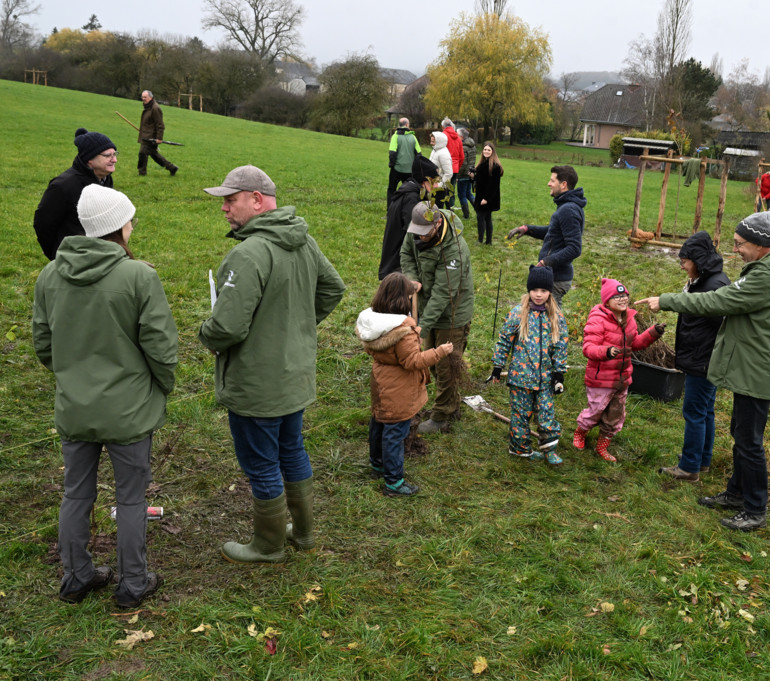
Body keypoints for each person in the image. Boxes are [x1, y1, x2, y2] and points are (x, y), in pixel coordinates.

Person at [32, 184, 178, 607]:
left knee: (76, 493)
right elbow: (161, 347)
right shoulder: (138, 276)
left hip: (75, 408)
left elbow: (44, 344)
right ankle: (133, 583)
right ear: (119, 225)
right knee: (131, 498)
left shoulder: (49, 275)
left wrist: (72, 378)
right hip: (129, 412)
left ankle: (76, 576)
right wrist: (161, 385)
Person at [198, 165, 346, 563]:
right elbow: (332, 288)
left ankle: (268, 544)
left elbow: (226, 326)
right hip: (293, 376)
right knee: (292, 448)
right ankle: (304, 532)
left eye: (231, 200)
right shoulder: (303, 241)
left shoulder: (248, 253)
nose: (225, 209)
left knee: (262, 462)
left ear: (257, 200)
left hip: (258, 383)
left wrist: (206, 336)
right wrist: (296, 327)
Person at [637, 212, 770, 532]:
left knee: (749, 441)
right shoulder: (767, 268)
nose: (736, 249)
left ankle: (754, 508)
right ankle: (736, 493)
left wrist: (669, 301)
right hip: (753, 364)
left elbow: (719, 300)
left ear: (759, 243)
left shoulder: (769, 276)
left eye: (740, 244)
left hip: (759, 368)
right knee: (741, 435)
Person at [356, 273, 454, 497]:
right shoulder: (402, 332)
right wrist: (440, 351)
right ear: (402, 300)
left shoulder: (375, 323)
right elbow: (413, 361)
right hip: (399, 388)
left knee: (379, 424)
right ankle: (394, 482)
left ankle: (377, 465)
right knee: (395, 433)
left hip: (381, 381)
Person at [659, 231, 731, 482]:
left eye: (685, 261)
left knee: (694, 411)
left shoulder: (713, 286)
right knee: (705, 410)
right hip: (705, 358)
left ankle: (689, 466)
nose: (682, 266)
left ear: (698, 260)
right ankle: (703, 461)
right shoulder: (708, 281)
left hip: (703, 360)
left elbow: (716, 324)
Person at [400, 201, 474, 434]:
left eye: (425, 233)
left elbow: (444, 295)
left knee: (446, 366)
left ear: (438, 222)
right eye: (417, 233)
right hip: (426, 306)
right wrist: (411, 277)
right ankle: (451, 401)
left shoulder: (455, 250)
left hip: (452, 313)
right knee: (430, 359)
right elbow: (406, 254)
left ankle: (442, 416)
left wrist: (421, 327)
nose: (420, 238)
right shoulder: (416, 231)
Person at [574, 278, 666, 463]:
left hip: (622, 378)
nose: (623, 299)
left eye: (624, 295)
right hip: (601, 379)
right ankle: (581, 433)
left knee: (615, 414)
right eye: (617, 296)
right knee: (595, 411)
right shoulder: (598, 319)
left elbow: (635, 344)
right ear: (606, 301)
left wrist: (652, 333)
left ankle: (602, 446)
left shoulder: (629, 319)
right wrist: (606, 351)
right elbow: (588, 348)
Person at [488, 266, 568, 465]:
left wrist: (559, 373)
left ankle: (549, 449)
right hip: (520, 377)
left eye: (543, 291)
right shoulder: (518, 313)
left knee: (546, 414)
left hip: (545, 379)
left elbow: (560, 345)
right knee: (520, 415)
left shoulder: (556, 317)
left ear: (550, 291)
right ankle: (520, 449)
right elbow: (505, 340)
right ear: (528, 290)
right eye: (534, 290)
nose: (538, 295)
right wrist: (498, 366)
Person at [506, 165, 586, 306]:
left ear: (563, 185)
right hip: (553, 274)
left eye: (552, 181)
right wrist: (527, 229)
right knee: (546, 318)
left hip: (556, 277)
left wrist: (546, 262)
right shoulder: (567, 206)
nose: (548, 184)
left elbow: (574, 248)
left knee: (550, 320)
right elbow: (554, 233)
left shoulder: (568, 210)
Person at [33, 128, 118, 260]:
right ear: (90, 159)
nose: (114, 160)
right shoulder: (63, 185)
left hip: (100, 254)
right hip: (72, 256)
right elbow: (43, 224)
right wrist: (56, 254)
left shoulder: (105, 179)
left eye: (115, 154)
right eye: (108, 155)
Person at [379, 155, 441, 280]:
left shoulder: (412, 190)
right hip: (399, 264)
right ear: (424, 182)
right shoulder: (411, 199)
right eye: (434, 180)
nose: (436, 185)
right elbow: (415, 234)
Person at [137, 91, 178, 177]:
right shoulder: (148, 107)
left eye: (145, 97)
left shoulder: (155, 108)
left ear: (150, 98)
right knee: (154, 154)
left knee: (142, 153)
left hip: (151, 137)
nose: (143, 99)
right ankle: (171, 167)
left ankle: (142, 173)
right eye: (142, 97)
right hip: (146, 135)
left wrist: (159, 138)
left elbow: (160, 125)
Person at [386, 117, 421, 211]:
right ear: (407, 125)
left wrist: (392, 165)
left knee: (391, 189)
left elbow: (392, 153)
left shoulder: (395, 136)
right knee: (409, 191)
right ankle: (408, 209)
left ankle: (390, 211)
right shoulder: (413, 137)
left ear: (400, 125)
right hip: (409, 170)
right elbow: (419, 154)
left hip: (397, 169)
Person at [473, 141, 503, 245]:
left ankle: (481, 240)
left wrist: (486, 198)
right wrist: (473, 176)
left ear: (492, 152)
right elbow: (479, 180)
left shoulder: (495, 167)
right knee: (487, 217)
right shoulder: (481, 164)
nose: (486, 151)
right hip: (480, 195)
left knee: (481, 217)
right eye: (485, 149)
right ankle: (488, 241)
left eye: (488, 150)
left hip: (488, 197)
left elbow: (494, 185)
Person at [441, 118, 464, 208]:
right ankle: (451, 209)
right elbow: (461, 156)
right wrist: (457, 166)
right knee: (451, 189)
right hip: (454, 168)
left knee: (442, 189)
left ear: (443, 126)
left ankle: (441, 209)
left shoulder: (442, 136)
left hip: (444, 167)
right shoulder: (458, 138)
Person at [428, 131, 453, 208]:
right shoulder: (435, 150)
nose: (431, 143)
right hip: (433, 184)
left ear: (439, 142)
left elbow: (449, 173)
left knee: (437, 210)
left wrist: (439, 185)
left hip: (440, 189)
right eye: (431, 141)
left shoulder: (443, 154)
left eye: (433, 141)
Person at [456, 128, 476, 219]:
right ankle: (479, 210)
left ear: (462, 136)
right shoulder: (472, 145)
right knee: (468, 194)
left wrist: (458, 176)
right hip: (470, 173)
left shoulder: (463, 147)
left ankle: (466, 215)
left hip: (463, 174)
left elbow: (463, 163)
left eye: (457, 134)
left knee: (462, 195)